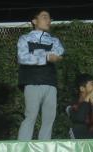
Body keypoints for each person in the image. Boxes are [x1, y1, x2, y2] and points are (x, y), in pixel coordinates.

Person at [17, 10, 64, 141]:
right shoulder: (24, 38)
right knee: (31, 115)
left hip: (50, 82)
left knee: (49, 118)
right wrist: (46, 56)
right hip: (32, 81)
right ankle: (22, 147)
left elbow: (59, 53)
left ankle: (45, 147)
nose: (48, 20)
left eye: (49, 18)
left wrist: (36, 53)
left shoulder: (54, 40)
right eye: (44, 17)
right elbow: (23, 57)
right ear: (34, 21)